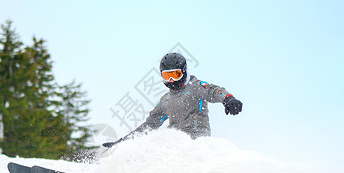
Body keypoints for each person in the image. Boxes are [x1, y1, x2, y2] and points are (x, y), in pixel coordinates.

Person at [103, 52, 242, 148]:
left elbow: (213, 90)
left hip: (197, 144)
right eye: (167, 76)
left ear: (184, 72)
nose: (171, 80)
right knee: (148, 150)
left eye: (175, 74)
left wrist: (228, 99)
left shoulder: (195, 87)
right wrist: (123, 142)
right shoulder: (165, 100)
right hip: (174, 145)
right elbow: (149, 126)